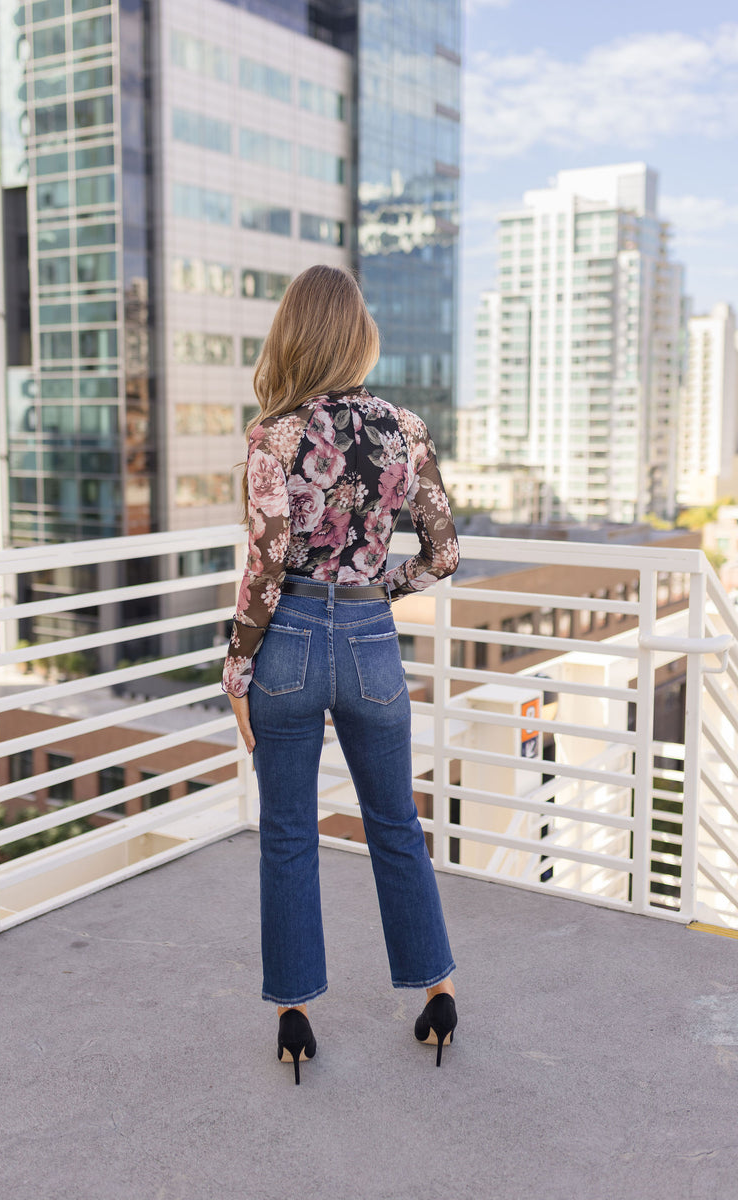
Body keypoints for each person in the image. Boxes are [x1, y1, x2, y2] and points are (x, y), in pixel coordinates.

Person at [222, 264, 459, 1084]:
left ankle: (296, 1017)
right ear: (358, 335)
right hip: (369, 642)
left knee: (288, 832)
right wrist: (375, 589)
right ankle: (437, 993)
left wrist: (238, 663)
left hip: (286, 638)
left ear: (292, 334)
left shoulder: (274, 438)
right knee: (395, 823)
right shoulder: (407, 431)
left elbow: (267, 563)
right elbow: (444, 554)